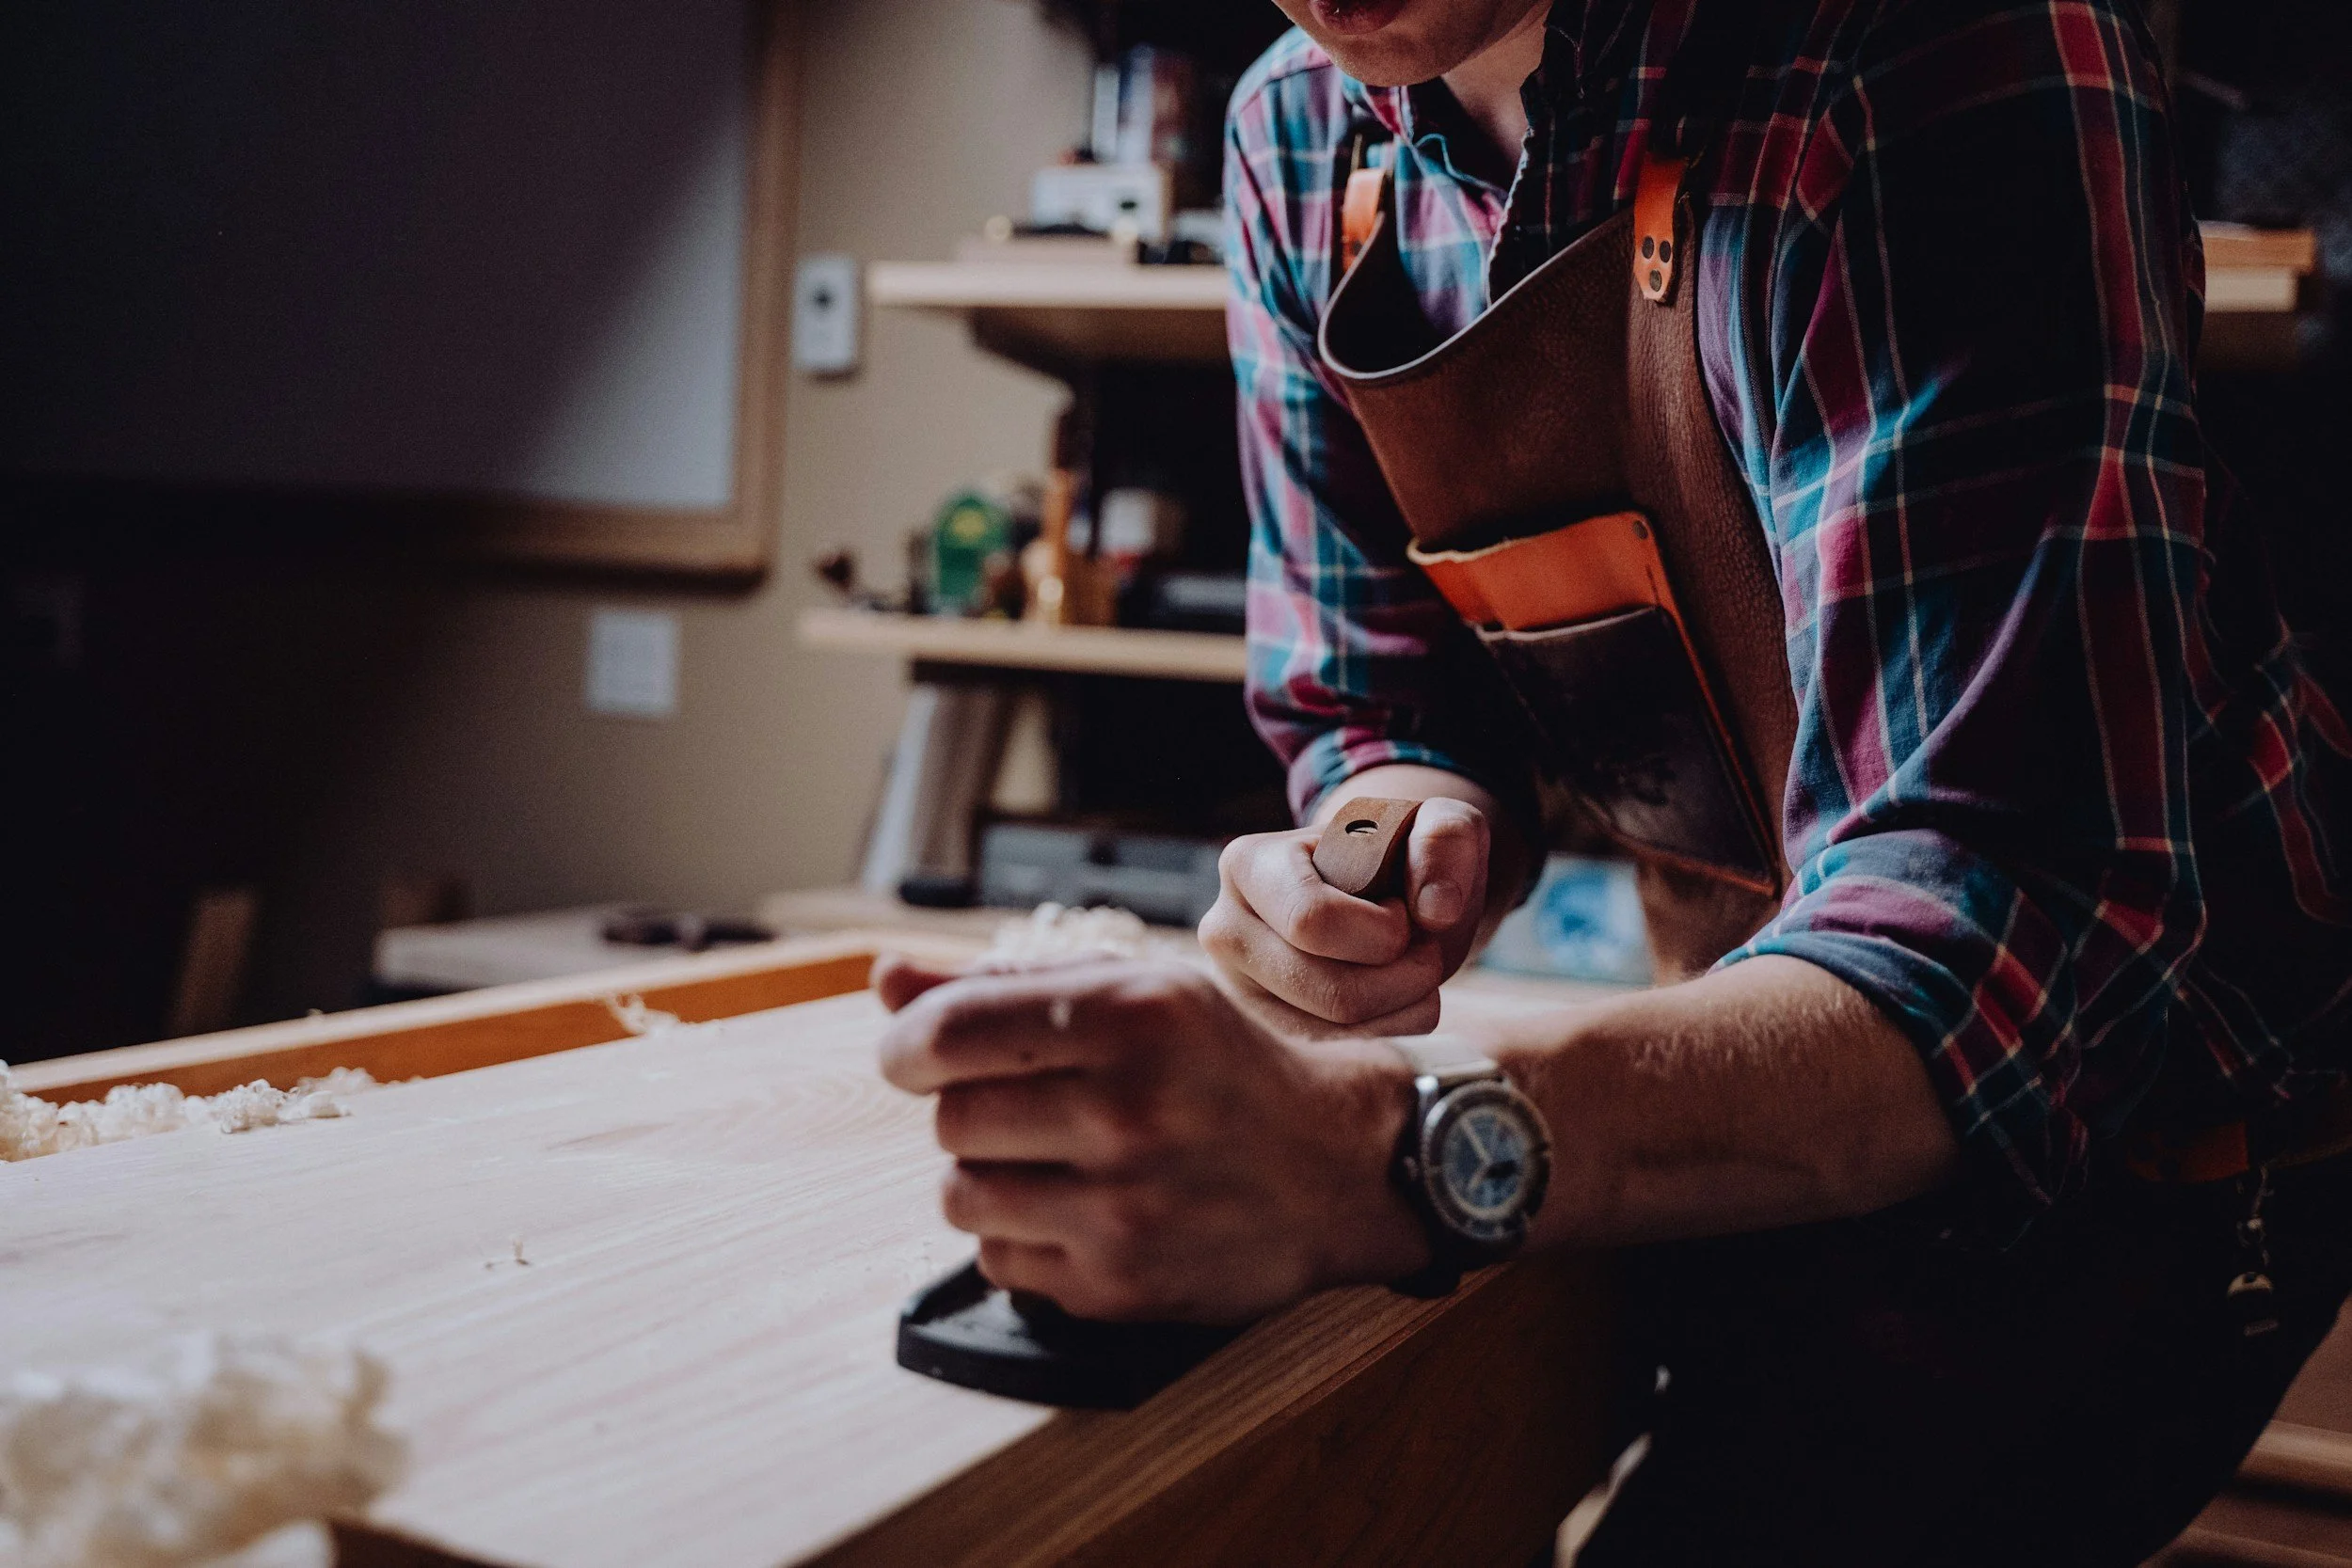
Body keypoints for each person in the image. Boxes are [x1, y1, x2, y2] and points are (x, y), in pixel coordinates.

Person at [877, 0, 2352, 1559]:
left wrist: (1371, 1147)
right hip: (1751, 1064)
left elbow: (2000, 925)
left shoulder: (1941, 40)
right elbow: (1378, 702)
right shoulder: (1300, 134)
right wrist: (1380, 840)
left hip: (2144, 1136)